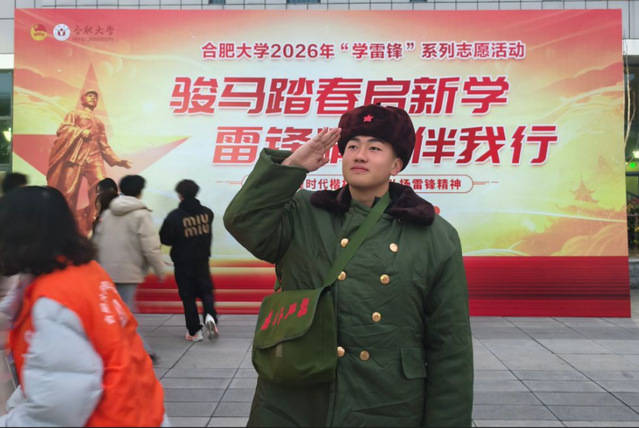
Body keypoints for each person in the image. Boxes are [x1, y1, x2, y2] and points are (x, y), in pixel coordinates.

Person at [223, 104, 474, 427]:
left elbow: (450, 344)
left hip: (384, 401)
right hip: (293, 397)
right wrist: (292, 167)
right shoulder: (304, 212)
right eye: (352, 146)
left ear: (396, 165)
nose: (360, 155)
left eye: (375, 148)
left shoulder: (434, 235)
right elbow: (243, 221)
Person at [0, 186, 168, 426]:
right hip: (140, 409)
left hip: (109, 418)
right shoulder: (86, 271)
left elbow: (59, 403)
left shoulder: (53, 301)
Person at [92, 175, 166, 362]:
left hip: (105, 272)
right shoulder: (141, 214)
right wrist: (159, 270)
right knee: (125, 314)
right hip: (128, 272)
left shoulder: (108, 213)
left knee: (114, 312)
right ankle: (144, 351)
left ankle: (115, 349)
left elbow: (96, 243)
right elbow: (150, 246)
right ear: (140, 192)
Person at [46, 89, 132, 236]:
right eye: (90, 96)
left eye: (95, 97)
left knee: (102, 187)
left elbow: (104, 145)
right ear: (82, 100)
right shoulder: (75, 114)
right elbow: (63, 129)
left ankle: (94, 220)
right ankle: (65, 225)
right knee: (68, 192)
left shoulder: (99, 122)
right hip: (75, 157)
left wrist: (117, 160)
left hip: (94, 157)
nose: (93, 98)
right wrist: (80, 132)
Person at [160, 180, 219, 342]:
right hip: (202, 260)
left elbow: (165, 239)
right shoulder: (207, 213)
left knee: (188, 297)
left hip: (183, 262)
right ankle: (210, 317)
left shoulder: (174, 217)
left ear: (180, 195)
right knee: (206, 291)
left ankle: (194, 332)